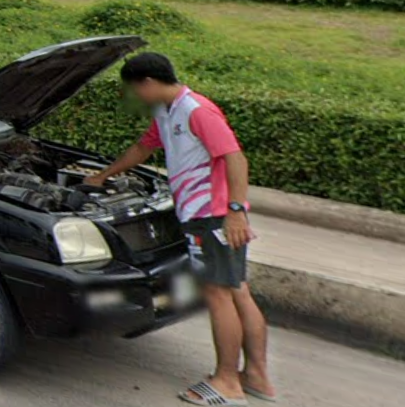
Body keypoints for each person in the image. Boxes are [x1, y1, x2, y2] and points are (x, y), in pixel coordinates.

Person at [85, 52, 271, 406]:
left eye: (134, 90)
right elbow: (144, 147)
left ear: (149, 83)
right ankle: (258, 377)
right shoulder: (164, 112)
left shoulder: (197, 111)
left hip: (213, 217)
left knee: (219, 295)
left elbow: (235, 157)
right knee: (237, 291)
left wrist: (235, 212)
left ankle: (227, 382)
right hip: (204, 215)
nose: (135, 97)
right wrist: (103, 176)